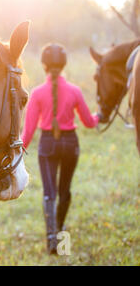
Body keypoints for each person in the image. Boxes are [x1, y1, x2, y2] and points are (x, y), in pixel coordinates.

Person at [21, 43, 99, 255]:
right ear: (64, 65)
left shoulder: (37, 93)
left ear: (44, 66)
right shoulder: (75, 91)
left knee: (49, 193)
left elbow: (27, 133)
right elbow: (90, 123)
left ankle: (51, 241)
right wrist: (99, 115)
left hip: (47, 144)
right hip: (70, 144)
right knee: (65, 191)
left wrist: (15, 152)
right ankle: (60, 229)